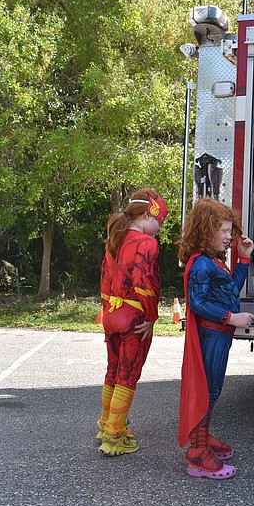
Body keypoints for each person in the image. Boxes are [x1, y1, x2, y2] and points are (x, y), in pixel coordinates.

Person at [177, 198, 254, 480]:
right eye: (222, 231)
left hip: (218, 335)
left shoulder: (212, 263)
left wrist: (243, 258)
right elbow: (197, 303)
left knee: (212, 389)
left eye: (228, 230)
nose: (228, 236)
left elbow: (231, 290)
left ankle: (203, 438)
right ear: (204, 231)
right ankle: (197, 452)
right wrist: (230, 318)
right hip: (212, 335)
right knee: (207, 390)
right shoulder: (201, 265)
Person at [97, 188, 168, 456]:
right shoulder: (146, 243)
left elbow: (105, 278)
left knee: (113, 371)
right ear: (149, 214)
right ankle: (114, 436)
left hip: (112, 315)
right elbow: (144, 283)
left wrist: (107, 309)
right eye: (159, 220)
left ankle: (106, 424)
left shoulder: (116, 238)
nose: (160, 227)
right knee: (128, 375)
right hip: (133, 318)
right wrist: (151, 316)